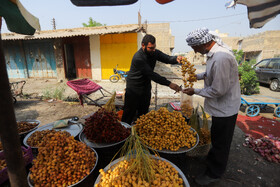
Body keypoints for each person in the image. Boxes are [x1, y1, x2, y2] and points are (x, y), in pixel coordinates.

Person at [182, 28, 241, 185]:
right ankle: (212, 163)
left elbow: (218, 90)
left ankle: (214, 173)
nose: (194, 50)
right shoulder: (214, 54)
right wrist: (198, 76)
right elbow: (211, 73)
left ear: (202, 44)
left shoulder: (220, 58)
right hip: (221, 107)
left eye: (194, 47)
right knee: (217, 137)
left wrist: (195, 90)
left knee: (221, 142)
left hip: (226, 108)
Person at [121, 34, 182, 124]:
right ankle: (125, 129)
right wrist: (169, 84)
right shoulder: (138, 58)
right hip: (134, 88)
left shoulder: (154, 52)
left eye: (154, 47)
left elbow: (167, 58)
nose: (153, 50)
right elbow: (151, 74)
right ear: (143, 45)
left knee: (144, 112)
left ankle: (140, 131)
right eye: (150, 48)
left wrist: (176, 59)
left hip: (145, 86)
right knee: (129, 113)